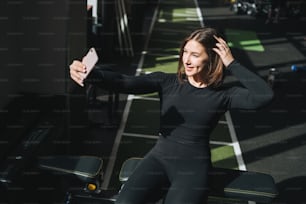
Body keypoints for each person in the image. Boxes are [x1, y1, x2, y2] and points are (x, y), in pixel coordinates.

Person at [69, 27, 274, 204]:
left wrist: (232, 63)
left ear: (212, 57)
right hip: (159, 158)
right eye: (185, 52)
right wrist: (92, 74)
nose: (187, 59)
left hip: (192, 168)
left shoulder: (223, 95)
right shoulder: (167, 82)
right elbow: (124, 82)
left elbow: (264, 95)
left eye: (195, 54)